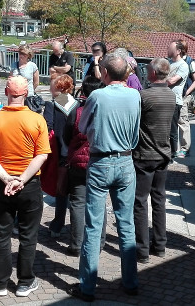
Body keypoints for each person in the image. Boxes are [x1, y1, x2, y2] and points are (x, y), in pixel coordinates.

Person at [68, 54, 141, 302]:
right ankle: (130, 282)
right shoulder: (134, 95)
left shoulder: (97, 96)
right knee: (126, 223)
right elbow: (135, 127)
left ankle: (87, 287)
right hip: (126, 160)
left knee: (94, 225)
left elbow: (82, 127)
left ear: (106, 73)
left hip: (100, 161)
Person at [0, 76, 50, 298]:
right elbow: (42, 155)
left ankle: (0, 284)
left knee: (2, 233)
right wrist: (22, 179)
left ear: (5, 93)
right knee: (28, 235)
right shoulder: (37, 120)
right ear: (26, 94)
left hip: (4, 185)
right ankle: (24, 282)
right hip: (29, 185)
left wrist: (6, 178)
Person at [133, 58, 174, 263]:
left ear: (152, 74)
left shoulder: (144, 96)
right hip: (163, 154)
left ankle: (142, 250)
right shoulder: (171, 95)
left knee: (140, 202)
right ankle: (160, 245)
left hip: (144, 155)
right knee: (159, 200)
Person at [63, 76, 107, 257]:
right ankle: (99, 242)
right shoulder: (105, 111)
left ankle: (76, 244)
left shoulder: (77, 111)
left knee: (78, 203)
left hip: (78, 163)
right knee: (99, 203)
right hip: (98, 161)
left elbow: (66, 136)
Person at [43, 75, 79, 238]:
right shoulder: (77, 103)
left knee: (61, 191)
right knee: (76, 195)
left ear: (59, 88)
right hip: (75, 152)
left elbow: (47, 127)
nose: (50, 89)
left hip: (60, 151)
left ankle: (57, 226)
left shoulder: (52, 105)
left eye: (52, 86)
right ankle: (77, 230)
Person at [166, 40, 189, 159]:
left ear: (178, 51)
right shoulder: (169, 64)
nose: (168, 50)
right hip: (165, 100)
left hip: (175, 102)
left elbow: (171, 81)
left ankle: (172, 154)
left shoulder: (183, 65)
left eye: (171, 48)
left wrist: (157, 81)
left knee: (172, 130)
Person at [177, 39, 195, 157]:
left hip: (184, 95)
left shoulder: (190, 61)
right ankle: (176, 148)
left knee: (183, 120)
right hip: (175, 95)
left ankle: (185, 148)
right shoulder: (172, 61)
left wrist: (187, 92)